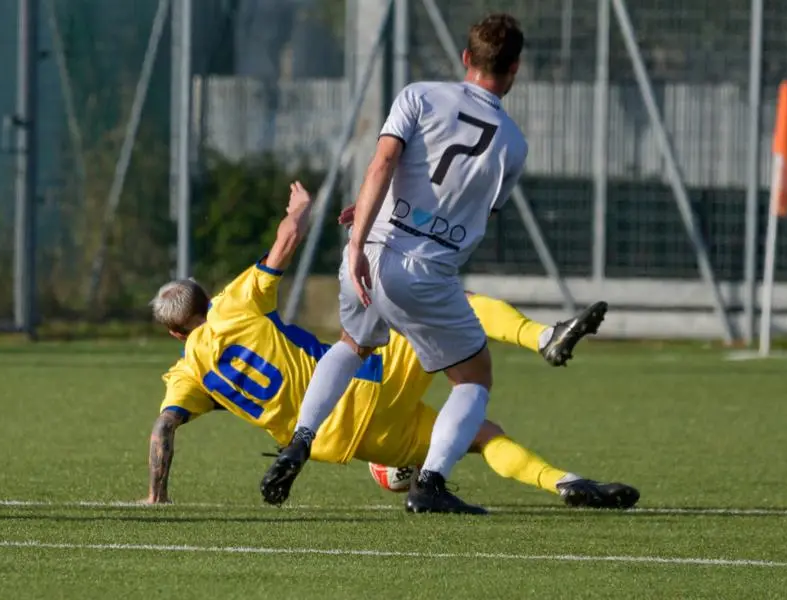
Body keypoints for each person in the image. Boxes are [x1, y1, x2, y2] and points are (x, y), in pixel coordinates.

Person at [261, 13, 606, 514]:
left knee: (352, 345)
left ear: (467, 58)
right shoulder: (512, 143)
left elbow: (383, 164)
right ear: (514, 69)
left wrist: (359, 238)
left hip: (371, 250)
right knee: (474, 379)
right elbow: (470, 206)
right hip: (422, 271)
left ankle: (300, 440)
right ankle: (431, 484)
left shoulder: (419, 95)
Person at [146, 181, 639, 511]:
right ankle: (543, 338)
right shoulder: (233, 304)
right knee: (456, 305)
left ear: (175, 334)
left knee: (482, 434)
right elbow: (287, 241)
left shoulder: (186, 374)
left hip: (345, 444)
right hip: (364, 384)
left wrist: (157, 494)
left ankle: (567, 483)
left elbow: (165, 427)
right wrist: (298, 209)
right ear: (206, 297)